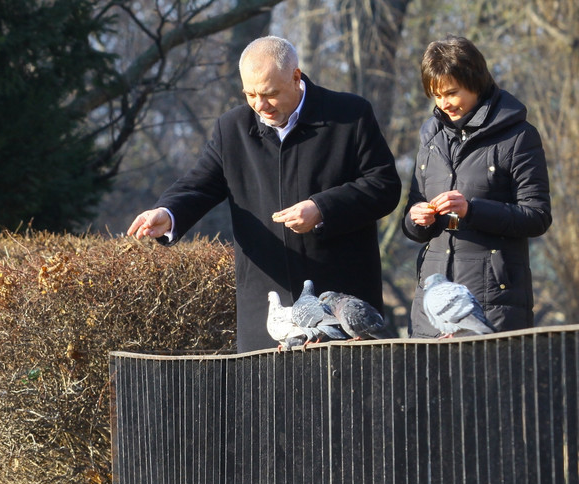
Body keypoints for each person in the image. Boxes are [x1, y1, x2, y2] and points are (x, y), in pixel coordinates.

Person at [127, 36, 401, 352]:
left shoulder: (350, 115)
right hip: (267, 309)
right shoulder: (231, 128)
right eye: (250, 94)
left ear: (296, 77)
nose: (260, 105)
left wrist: (322, 208)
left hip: (341, 307)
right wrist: (167, 212)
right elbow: (199, 184)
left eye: (270, 94)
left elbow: (384, 186)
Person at [402, 35, 551, 337]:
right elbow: (411, 223)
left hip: (493, 303)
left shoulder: (519, 136)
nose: (444, 104)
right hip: (430, 306)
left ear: (475, 80)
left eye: (452, 93)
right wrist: (417, 219)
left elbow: (537, 216)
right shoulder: (429, 139)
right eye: (436, 95)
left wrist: (471, 210)